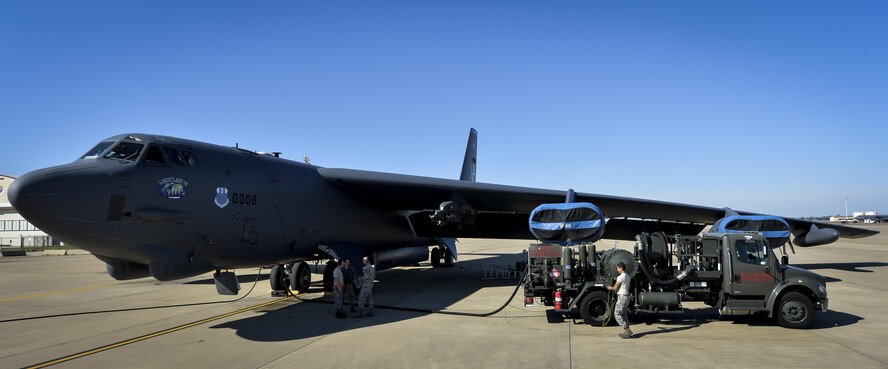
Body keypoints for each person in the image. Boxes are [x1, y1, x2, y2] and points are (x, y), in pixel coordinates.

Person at [607, 262, 632, 338]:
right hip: (626, 296)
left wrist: (609, 288)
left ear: (621, 268)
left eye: (617, 268)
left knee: (617, 314)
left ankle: (627, 330)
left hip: (622, 297)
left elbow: (615, 287)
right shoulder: (627, 276)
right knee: (624, 314)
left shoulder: (620, 277)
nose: (617, 270)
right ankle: (627, 331)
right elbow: (629, 286)